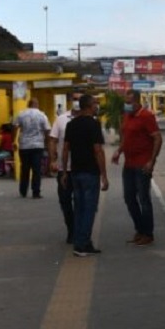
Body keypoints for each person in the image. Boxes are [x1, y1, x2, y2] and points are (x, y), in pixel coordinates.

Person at [111, 89, 162, 246]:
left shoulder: (146, 116)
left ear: (137, 101)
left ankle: (148, 233)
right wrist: (119, 151)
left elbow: (158, 138)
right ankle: (140, 229)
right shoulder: (127, 116)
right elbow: (125, 137)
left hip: (142, 164)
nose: (126, 105)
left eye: (129, 102)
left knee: (144, 199)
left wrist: (151, 161)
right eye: (125, 102)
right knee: (129, 198)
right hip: (129, 164)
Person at [60, 94, 107, 256]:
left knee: (79, 208)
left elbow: (66, 149)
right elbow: (98, 150)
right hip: (90, 173)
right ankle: (82, 245)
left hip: (75, 172)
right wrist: (104, 175)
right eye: (95, 103)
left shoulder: (71, 124)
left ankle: (79, 241)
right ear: (88, 106)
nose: (97, 105)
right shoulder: (94, 125)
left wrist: (65, 171)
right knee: (89, 209)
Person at [46, 98, 78, 244]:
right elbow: (52, 140)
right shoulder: (61, 119)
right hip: (64, 169)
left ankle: (80, 230)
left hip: (82, 169)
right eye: (75, 99)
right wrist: (52, 160)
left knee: (80, 202)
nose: (77, 102)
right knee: (65, 201)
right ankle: (71, 229)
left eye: (79, 99)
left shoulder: (90, 119)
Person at [14, 97, 50, 198]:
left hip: (24, 145)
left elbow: (15, 127)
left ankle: (23, 191)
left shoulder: (21, 114)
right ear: (37, 104)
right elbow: (47, 130)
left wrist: (14, 141)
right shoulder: (42, 115)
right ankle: (36, 192)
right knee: (36, 169)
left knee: (24, 168)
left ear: (28, 104)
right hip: (38, 146)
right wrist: (47, 143)